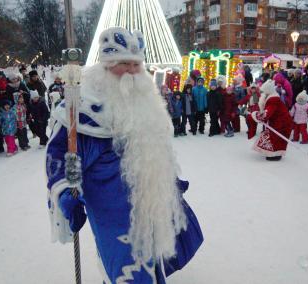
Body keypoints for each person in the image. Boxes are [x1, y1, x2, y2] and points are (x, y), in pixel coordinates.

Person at [46, 27, 203, 283]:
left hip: (149, 200)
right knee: (125, 267)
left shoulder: (145, 99)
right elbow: (59, 154)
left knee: (152, 262)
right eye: (123, 64)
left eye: (135, 64)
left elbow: (154, 149)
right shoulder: (80, 107)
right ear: (106, 65)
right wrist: (66, 190)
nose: (131, 71)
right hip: (110, 206)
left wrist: (167, 178)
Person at [249, 80, 293, 161]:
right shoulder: (271, 97)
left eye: (264, 92)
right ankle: (273, 153)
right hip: (278, 122)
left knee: (276, 138)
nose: (263, 93)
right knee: (272, 138)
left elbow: (266, 114)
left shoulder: (273, 100)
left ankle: (276, 155)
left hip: (282, 123)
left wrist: (255, 115)